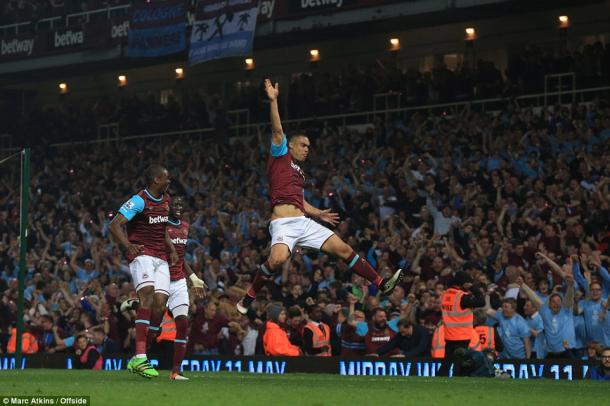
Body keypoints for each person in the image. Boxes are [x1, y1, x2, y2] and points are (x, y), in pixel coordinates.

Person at [237, 79, 403, 315]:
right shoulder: (279, 155)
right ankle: (248, 297)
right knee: (277, 261)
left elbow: (300, 201)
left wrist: (318, 213)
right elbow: (277, 130)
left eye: (309, 146)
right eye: (303, 145)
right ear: (291, 146)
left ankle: (381, 284)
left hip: (303, 222)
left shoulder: (299, 173)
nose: (307, 149)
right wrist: (273, 101)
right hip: (282, 223)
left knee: (344, 249)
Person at [109, 164, 178, 378]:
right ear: (156, 179)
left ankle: (140, 354)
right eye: (166, 178)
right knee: (148, 294)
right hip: (142, 254)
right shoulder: (139, 200)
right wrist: (127, 245)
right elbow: (115, 224)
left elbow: (162, 229)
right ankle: (140, 357)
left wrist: (172, 249)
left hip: (161, 256)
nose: (169, 181)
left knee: (160, 304)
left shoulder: (166, 201)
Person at [146, 196, 206, 380]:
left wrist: (193, 277)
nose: (179, 207)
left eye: (181, 204)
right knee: (155, 327)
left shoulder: (185, 226)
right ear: (167, 207)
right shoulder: (159, 226)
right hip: (161, 279)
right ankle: (141, 358)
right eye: (175, 204)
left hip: (179, 281)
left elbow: (180, 257)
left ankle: (176, 371)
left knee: (183, 324)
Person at [521, 269, 576, 358]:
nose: (556, 303)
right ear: (549, 304)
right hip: (551, 353)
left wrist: (570, 286)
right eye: (553, 301)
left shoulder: (566, 311)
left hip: (567, 351)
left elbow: (569, 297)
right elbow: (534, 298)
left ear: (562, 303)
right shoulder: (545, 312)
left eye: (558, 301)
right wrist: (523, 285)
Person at [439, 271, 484, 375]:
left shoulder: (445, 294)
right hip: (462, 336)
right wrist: (474, 289)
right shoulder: (462, 297)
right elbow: (481, 302)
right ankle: (457, 380)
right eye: (469, 283)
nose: (470, 285)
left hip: (449, 335)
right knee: (459, 363)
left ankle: (440, 379)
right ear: (463, 283)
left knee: (447, 362)